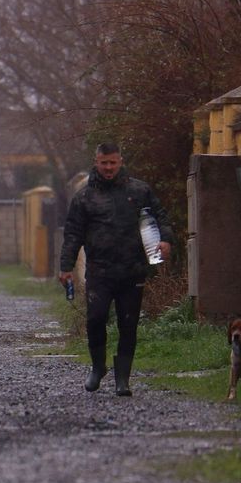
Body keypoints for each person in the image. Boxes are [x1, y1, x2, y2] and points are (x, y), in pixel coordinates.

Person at [56, 142, 175, 397]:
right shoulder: (84, 197)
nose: (108, 168)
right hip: (99, 271)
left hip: (132, 270)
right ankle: (98, 367)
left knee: (128, 324)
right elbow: (73, 235)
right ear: (96, 162)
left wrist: (165, 239)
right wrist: (66, 267)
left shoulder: (139, 191)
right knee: (95, 318)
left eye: (112, 162)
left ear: (120, 161)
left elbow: (161, 216)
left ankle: (123, 379)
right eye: (104, 163)